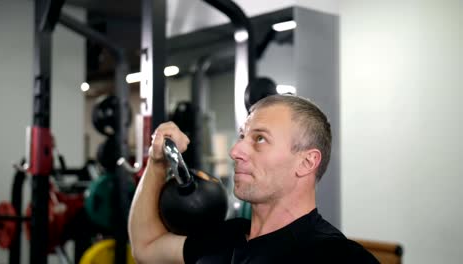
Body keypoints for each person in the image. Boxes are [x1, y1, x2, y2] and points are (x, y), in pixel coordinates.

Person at [128, 94, 378, 263]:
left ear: (307, 162)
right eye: (242, 136)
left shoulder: (336, 257)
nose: (235, 152)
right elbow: (146, 246)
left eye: (259, 139)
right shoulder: (226, 237)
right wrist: (158, 162)